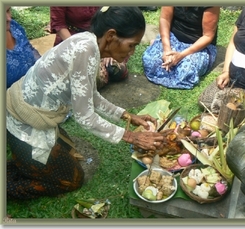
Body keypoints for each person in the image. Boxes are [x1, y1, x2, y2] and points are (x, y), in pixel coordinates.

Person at [6, 7, 167, 200]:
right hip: (22, 122)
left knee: (67, 157)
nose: (131, 52)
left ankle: (24, 163)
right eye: (131, 45)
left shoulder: (89, 42)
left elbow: (90, 95)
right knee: (72, 179)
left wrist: (126, 116)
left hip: (34, 115)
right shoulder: (86, 50)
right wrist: (131, 136)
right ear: (111, 36)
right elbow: (85, 116)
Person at [50, 6, 128, 90]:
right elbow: (59, 25)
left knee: (116, 69)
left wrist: (108, 49)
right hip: (73, 41)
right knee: (95, 78)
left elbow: (111, 17)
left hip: (101, 38)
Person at [142, 6, 220, 89]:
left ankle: (156, 44)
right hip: (173, 38)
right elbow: (164, 19)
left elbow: (208, 36)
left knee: (186, 72)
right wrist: (166, 49)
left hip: (198, 47)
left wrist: (182, 55)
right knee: (151, 62)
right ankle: (158, 43)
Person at [6, 6, 41, 89]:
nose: (8, 18)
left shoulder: (14, 26)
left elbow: (29, 49)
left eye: (8, 10)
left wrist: (44, 63)